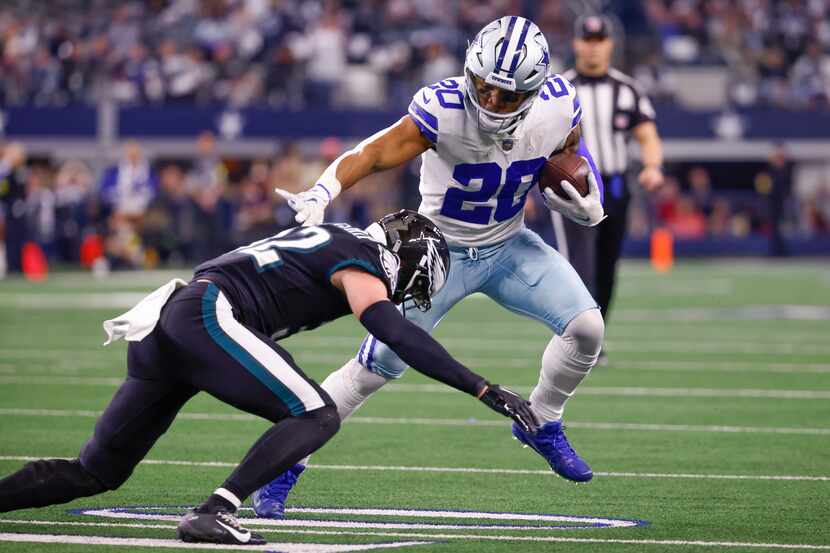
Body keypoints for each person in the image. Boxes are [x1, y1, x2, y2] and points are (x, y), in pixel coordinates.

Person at [0, 210, 536, 546]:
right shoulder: (364, 257)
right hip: (206, 314)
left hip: (175, 319)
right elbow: (393, 330)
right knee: (318, 412)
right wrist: (483, 388)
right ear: (409, 258)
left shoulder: (340, 238)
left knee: (97, 471)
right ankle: (215, 511)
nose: (410, 294)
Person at [255, 16, 607, 519]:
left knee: (588, 329)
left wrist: (582, 198)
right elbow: (374, 152)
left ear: (532, 93)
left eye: (505, 96)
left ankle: (543, 420)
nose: (489, 101)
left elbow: (568, 158)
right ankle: (285, 464)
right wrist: (324, 190)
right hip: (437, 255)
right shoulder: (443, 109)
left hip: (509, 244)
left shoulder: (557, 105)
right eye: (483, 86)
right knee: (371, 371)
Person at [555, 15, 665, 364]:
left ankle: (594, 335)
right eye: (587, 40)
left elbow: (647, 134)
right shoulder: (560, 90)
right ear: (576, 44)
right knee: (579, 265)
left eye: (599, 40)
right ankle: (580, 338)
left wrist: (652, 167)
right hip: (573, 188)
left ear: (610, 45)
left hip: (615, 188)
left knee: (606, 267)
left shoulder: (627, 89)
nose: (593, 46)